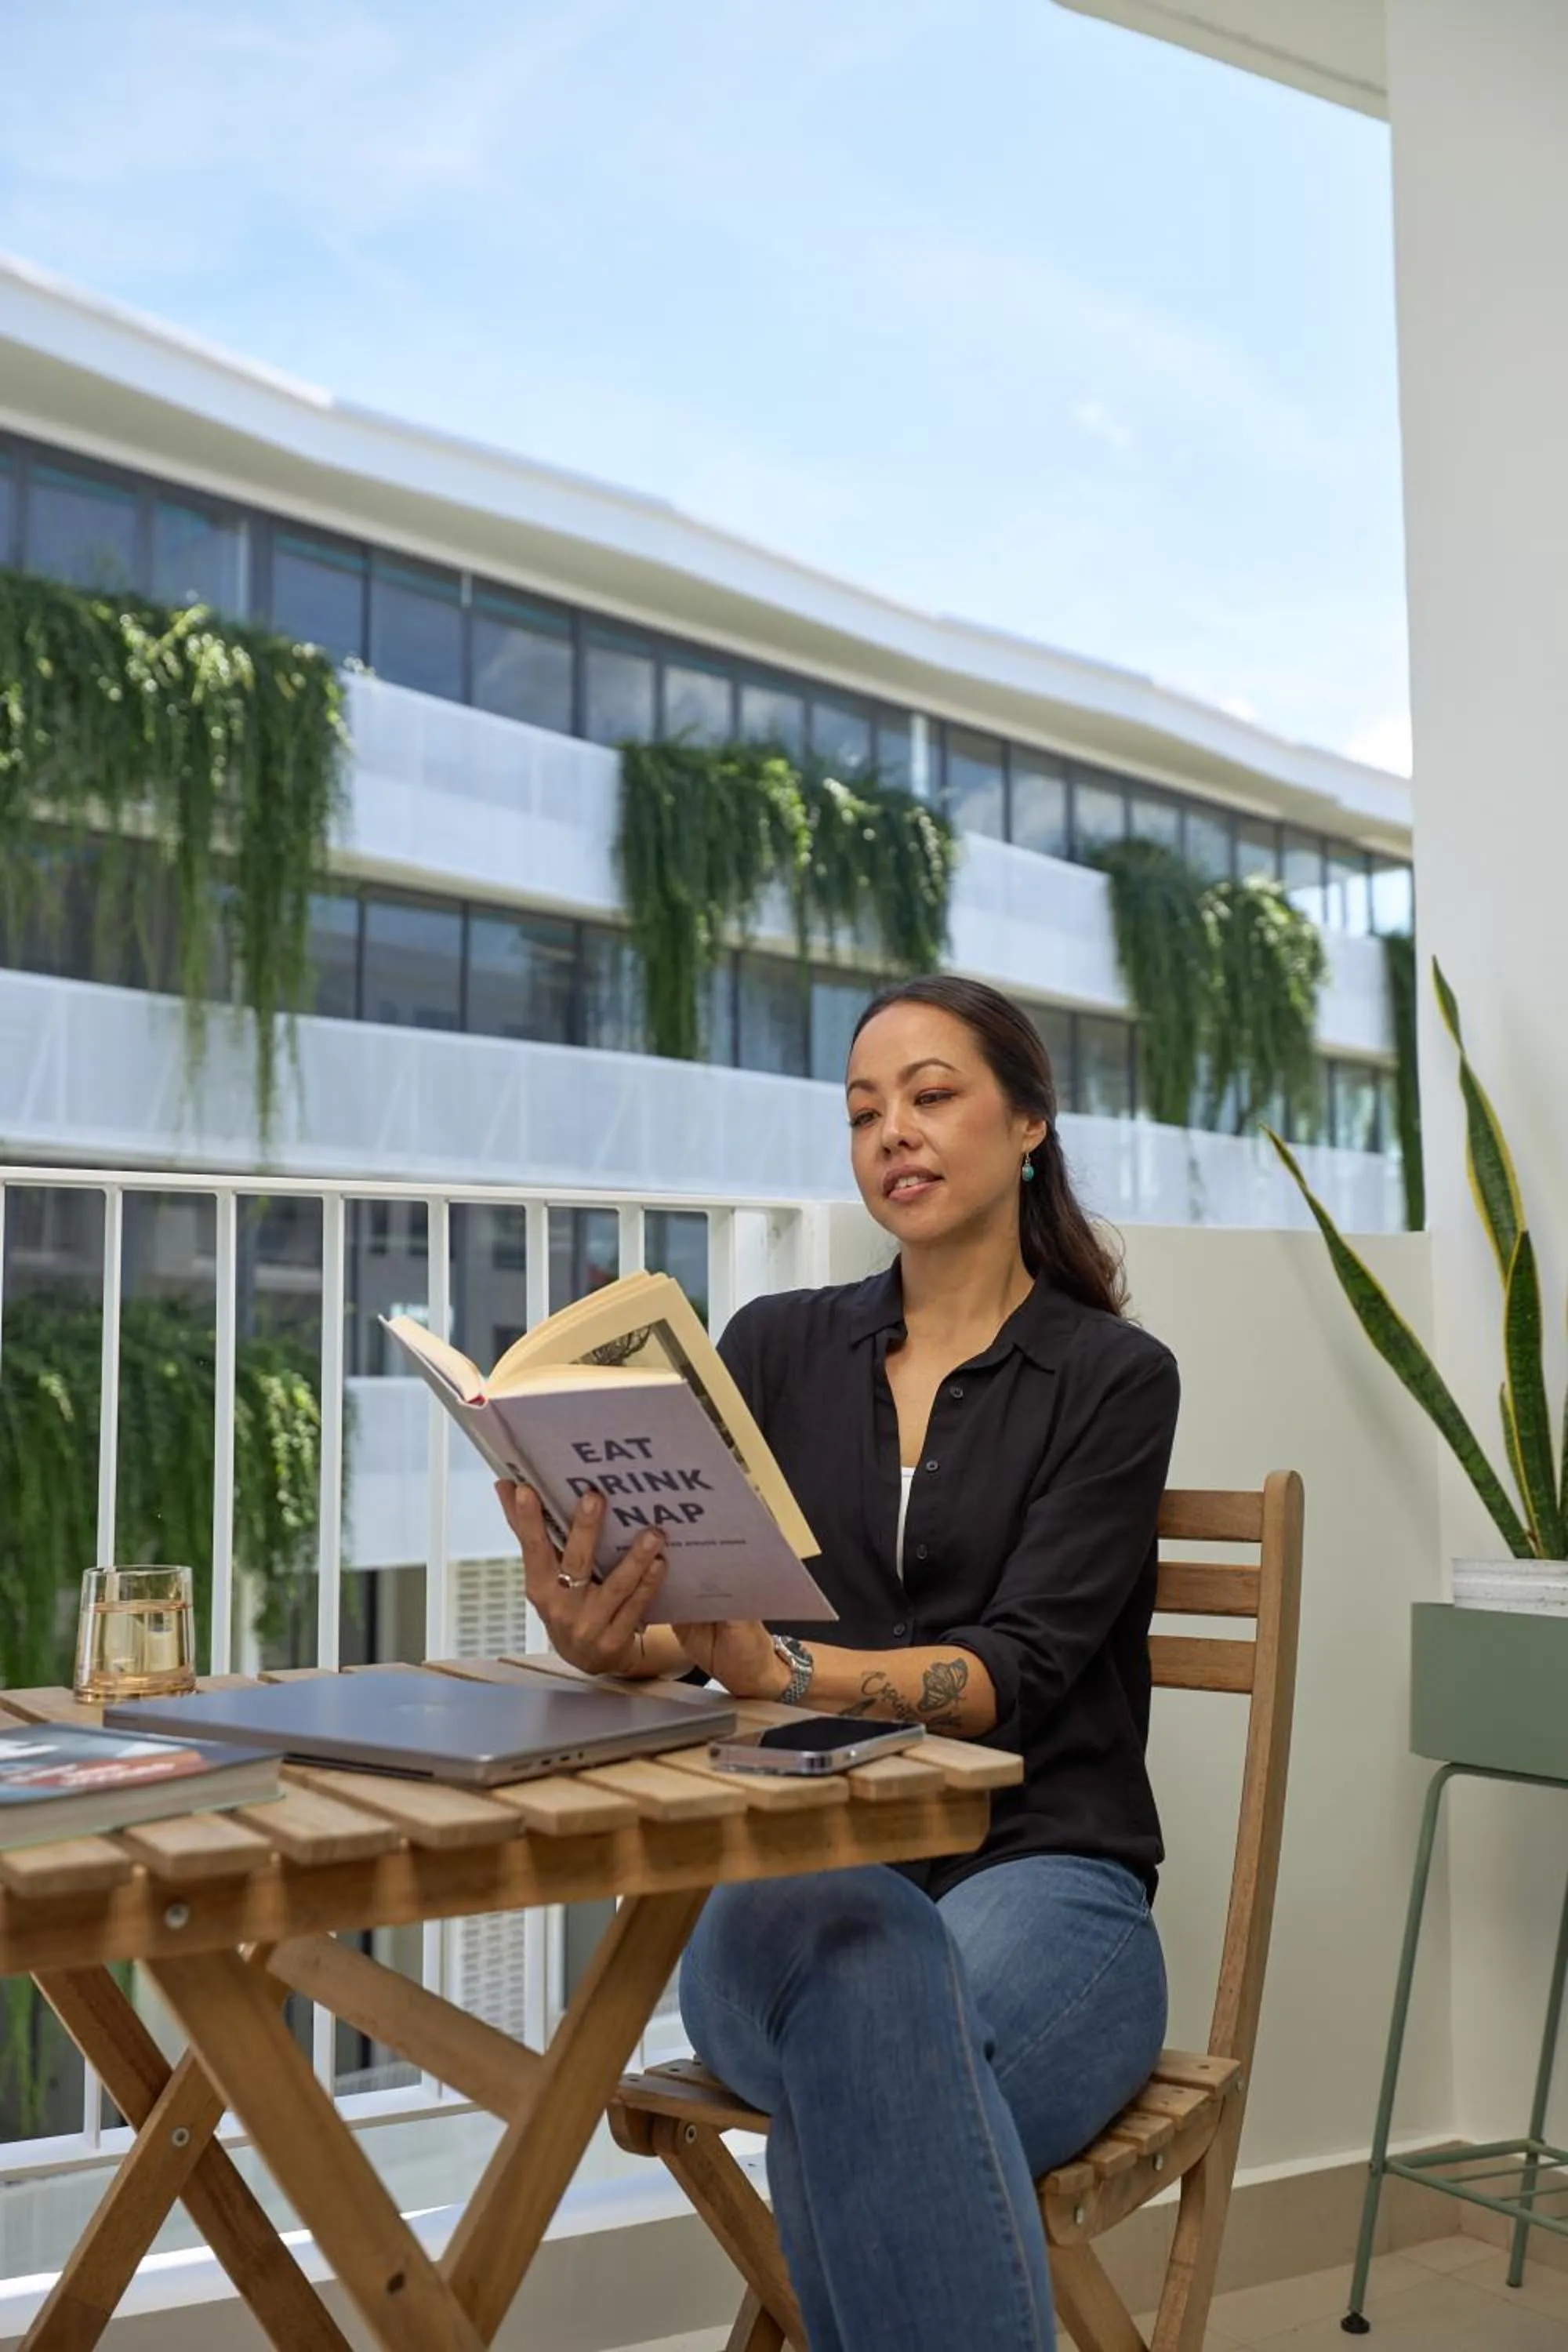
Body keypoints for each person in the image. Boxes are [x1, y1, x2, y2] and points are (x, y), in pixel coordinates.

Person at [498, 974, 1179, 2351]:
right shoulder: (775, 1346)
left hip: (1050, 1874)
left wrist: (780, 1673)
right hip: (802, 1886)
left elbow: (1020, 1671)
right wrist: (608, 1639)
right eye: (865, 1110)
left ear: (1031, 1121)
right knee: (862, 1977)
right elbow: (706, 1635)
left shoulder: (1113, 1376)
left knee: (871, 2064)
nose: (893, 1134)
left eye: (933, 1097)